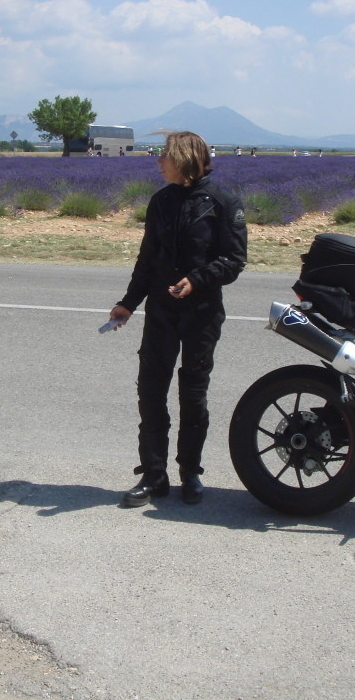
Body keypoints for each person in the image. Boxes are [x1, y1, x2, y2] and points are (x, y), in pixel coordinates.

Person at [107, 131, 247, 506]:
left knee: (193, 395)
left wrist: (197, 279)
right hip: (161, 312)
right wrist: (128, 303)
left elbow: (234, 261)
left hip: (201, 314)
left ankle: (190, 473)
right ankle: (154, 475)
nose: (158, 162)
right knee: (151, 391)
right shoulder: (160, 201)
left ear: (184, 158)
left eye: (164, 156)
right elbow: (148, 258)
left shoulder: (222, 201)